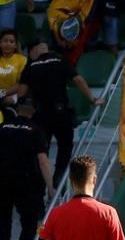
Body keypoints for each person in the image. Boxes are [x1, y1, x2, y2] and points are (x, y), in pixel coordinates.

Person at [14, 40, 104, 187]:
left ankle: (42, 181)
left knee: (42, 149)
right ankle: (59, 175)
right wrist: (92, 99)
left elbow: (22, 93)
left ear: (35, 52)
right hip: (60, 111)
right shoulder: (60, 60)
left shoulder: (30, 66)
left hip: (40, 114)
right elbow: (78, 80)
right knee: (66, 144)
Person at [0, 97, 51, 240]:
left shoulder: (3, 127)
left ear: (18, 108)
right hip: (27, 182)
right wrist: (51, 187)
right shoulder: (36, 130)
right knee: (29, 225)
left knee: (3, 218)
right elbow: (43, 161)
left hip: (2, 179)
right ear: (34, 111)